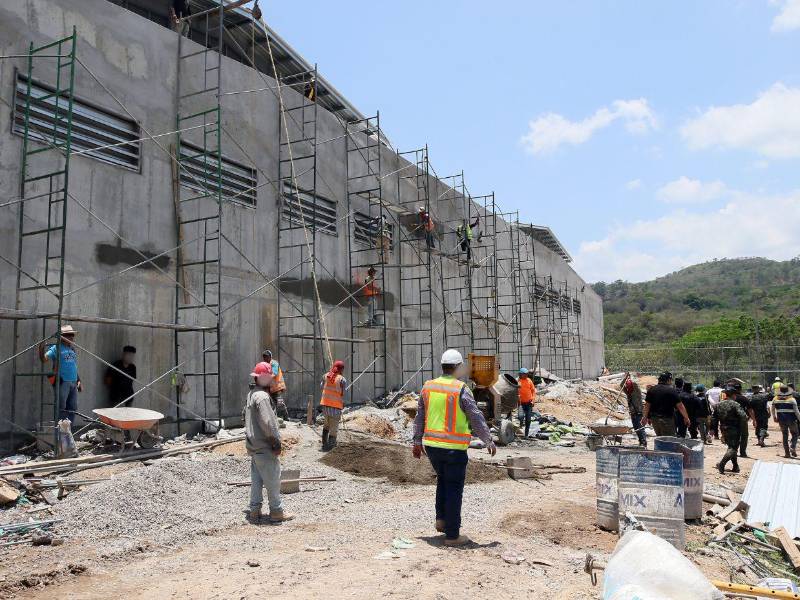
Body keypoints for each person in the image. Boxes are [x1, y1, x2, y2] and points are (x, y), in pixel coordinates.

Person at [412, 349, 496, 547]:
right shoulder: (461, 388)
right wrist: (488, 440)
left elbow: (419, 416)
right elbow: (475, 416)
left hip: (432, 447)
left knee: (443, 481)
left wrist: (416, 441)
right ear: (458, 367)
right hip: (453, 449)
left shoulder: (428, 386)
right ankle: (452, 535)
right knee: (454, 488)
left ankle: (441, 520)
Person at [244, 361, 293, 524]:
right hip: (265, 446)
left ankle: (254, 511)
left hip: (254, 446)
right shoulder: (263, 397)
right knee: (272, 479)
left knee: (257, 481)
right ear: (264, 378)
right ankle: (276, 511)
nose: (273, 380)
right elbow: (268, 423)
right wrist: (276, 443)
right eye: (270, 377)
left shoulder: (251, 394)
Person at [38, 324, 82, 424]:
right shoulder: (56, 348)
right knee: (61, 407)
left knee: (73, 407)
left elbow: (73, 366)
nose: (71, 337)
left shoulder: (72, 349)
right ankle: (60, 432)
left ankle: (68, 431)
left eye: (72, 335)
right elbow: (44, 359)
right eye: (68, 335)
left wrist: (79, 380)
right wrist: (40, 349)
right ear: (62, 337)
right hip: (62, 382)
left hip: (73, 382)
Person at [642, 371, 690, 438]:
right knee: (669, 440)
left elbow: (647, 406)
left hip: (655, 419)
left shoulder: (652, 390)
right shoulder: (671, 391)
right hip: (667, 420)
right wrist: (686, 418)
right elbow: (680, 406)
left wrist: (645, 417)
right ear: (668, 380)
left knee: (660, 439)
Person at [716, 385, 749, 474]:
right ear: (733, 395)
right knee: (733, 448)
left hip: (723, 428)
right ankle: (722, 464)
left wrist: (713, 430)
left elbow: (714, 418)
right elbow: (743, 416)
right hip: (734, 429)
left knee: (731, 446)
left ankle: (735, 466)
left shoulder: (719, 404)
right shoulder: (735, 404)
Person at [320, 360, 347, 451]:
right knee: (333, 428)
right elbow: (342, 393)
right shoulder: (342, 379)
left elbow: (322, 387)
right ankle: (331, 447)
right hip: (335, 408)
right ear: (341, 369)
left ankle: (324, 443)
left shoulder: (325, 376)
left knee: (326, 425)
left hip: (325, 406)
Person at [727, 381, 755, 458]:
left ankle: (733, 451)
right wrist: (754, 420)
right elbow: (750, 410)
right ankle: (742, 452)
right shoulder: (744, 398)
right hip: (742, 420)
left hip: (731, 420)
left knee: (734, 436)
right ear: (740, 389)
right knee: (744, 436)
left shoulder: (730, 398)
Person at [772, 386, 800, 458]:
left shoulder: (775, 399)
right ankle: (792, 447)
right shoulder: (792, 399)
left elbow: (773, 409)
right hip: (791, 420)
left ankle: (787, 453)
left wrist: (774, 417)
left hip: (781, 420)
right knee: (795, 434)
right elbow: (796, 412)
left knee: (785, 435)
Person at [261, 349, 288, 420]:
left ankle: (285, 417)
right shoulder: (266, 365)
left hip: (278, 386)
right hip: (272, 388)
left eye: (266, 357)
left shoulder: (274, 363)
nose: (265, 359)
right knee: (273, 403)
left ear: (270, 357)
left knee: (280, 403)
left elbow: (274, 373)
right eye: (264, 357)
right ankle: (275, 418)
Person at [621, 373, 646, 447]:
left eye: (628, 386)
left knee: (640, 428)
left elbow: (635, 384)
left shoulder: (637, 392)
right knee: (636, 428)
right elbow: (621, 386)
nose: (627, 388)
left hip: (638, 412)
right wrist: (625, 378)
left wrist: (629, 377)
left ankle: (643, 442)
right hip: (633, 413)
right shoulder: (629, 393)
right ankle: (641, 441)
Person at [517, 368, 536, 437]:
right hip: (521, 403)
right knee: (520, 417)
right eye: (524, 374)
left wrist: (533, 400)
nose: (525, 375)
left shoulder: (529, 381)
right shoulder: (518, 381)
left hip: (529, 403)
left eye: (526, 374)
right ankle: (520, 426)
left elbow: (533, 391)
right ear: (520, 374)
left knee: (528, 420)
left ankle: (526, 435)